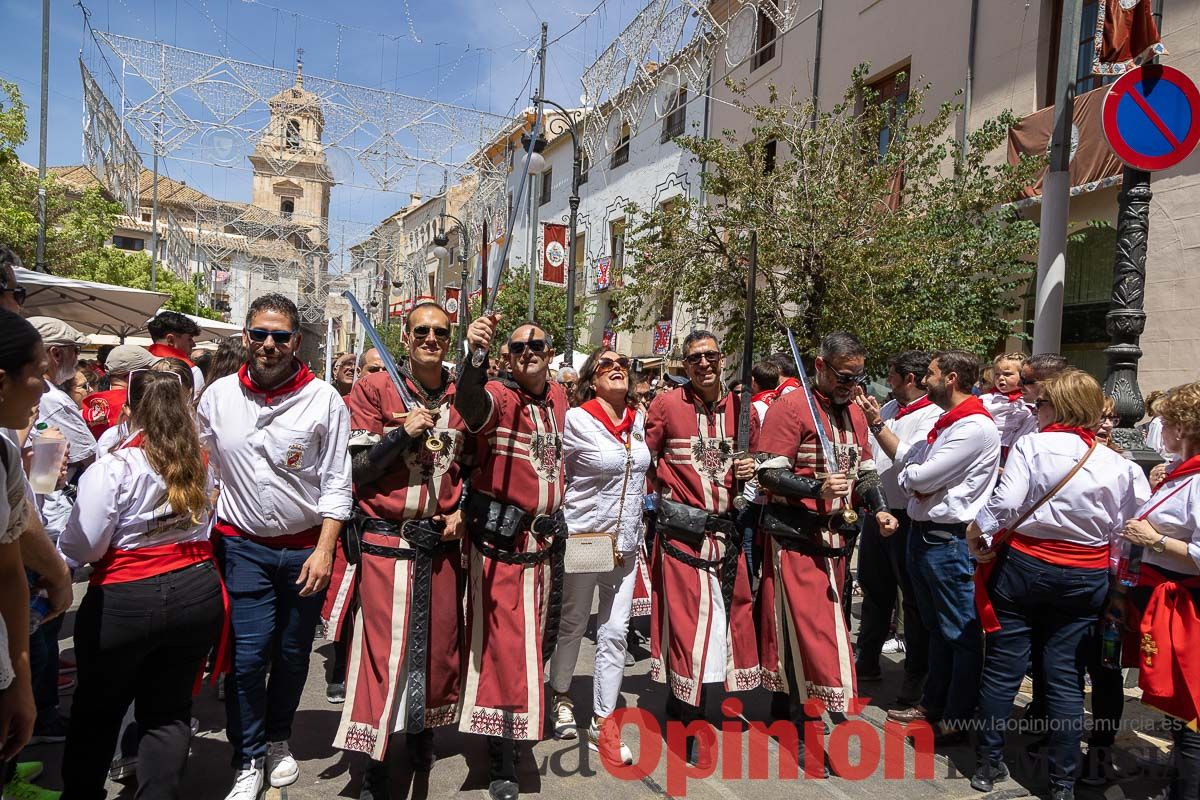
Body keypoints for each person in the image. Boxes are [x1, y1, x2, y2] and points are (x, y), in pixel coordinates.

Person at [966, 370, 1150, 799]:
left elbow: (1007, 502)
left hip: (1026, 567)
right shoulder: (1119, 464)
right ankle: (1063, 780)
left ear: (1060, 407)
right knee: (1065, 676)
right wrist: (1120, 585)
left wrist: (978, 533)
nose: (1036, 409)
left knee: (1004, 666)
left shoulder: (1034, 445)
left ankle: (988, 764)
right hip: (1085, 576)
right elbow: (1127, 533)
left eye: (1043, 403)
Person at [197, 294, 353, 799]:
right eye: (260, 334)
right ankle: (247, 757)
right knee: (246, 658)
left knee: (290, 654)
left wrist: (326, 550)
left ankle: (279, 739)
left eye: (280, 336)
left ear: (296, 342)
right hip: (242, 547)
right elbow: (205, 468)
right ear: (245, 337)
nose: (269, 345)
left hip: (305, 549)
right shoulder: (217, 396)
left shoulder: (324, 399)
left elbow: (336, 483)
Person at [59, 369, 225, 800]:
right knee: (168, 710)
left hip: (126, 599)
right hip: (195, 590)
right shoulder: (202, 462)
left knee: (98, 708)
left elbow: (84, 545)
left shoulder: (116, 466)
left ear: (130, 412)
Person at [333, 302, 467, 798]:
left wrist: (462, 509)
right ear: (406, 338)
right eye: (422, 331)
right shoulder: (374, 387)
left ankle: (421, 734)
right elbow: (359, 469)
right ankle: (374, 758)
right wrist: (399, 434)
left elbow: (475, 463)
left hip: (442, 546)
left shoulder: (460, 394)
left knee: (436, 650)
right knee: (381, 655)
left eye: (440, 332)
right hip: (387, 542)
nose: (431, 338)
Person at [755, 332, 893, 763]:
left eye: (857, 376)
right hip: (799, 538)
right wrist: (815, 486)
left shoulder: (853, 412)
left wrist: (881, 508)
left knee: (817, 633)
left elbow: (867, 474)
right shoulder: (791, 407)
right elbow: (767, 473)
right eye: (843, 375)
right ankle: (802, 725)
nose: (850, 384)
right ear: (819, 365)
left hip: (839, 542)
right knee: (807, 635)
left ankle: (789, 711)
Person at [454, 316, 568, 800]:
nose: (528, 351)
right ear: (507, 354)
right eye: (518, 345)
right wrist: (474, 359)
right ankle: (501, 754)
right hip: (503, 549)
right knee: (501, 652)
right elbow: (469, 405)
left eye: (537, 343)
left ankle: (518, 728)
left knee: (533, 648)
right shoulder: (499, 397)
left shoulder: (560, 397)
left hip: (546, 550)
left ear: (549, 350)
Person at [646, 330, 759, 768]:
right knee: (689, 628)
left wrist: (754, 466)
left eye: (711, 355)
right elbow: (646, 460)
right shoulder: (667, 405)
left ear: (723, 358)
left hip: (727, 535)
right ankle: (686, 716)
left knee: (721, 628)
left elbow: (764, 462)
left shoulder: (743, 409)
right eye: (695, 358)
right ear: (684, 364)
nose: (704, 364)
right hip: (683, 536)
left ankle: (696, 704)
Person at [888, 350, 1000, 743]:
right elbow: (913, 465)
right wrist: (917, 480)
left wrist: (917, 481)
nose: (924, 380)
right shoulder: (947, 422)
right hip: (924, 535)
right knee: (935, 627)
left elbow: (919, 476)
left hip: (948, 540)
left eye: (931, 374)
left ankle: (958, 716)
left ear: (951, 378)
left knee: (958, 632)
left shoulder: (973, 427)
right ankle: (934, 702)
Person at [547, 348, 649, 765]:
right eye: (606, 363)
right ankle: (561, 695)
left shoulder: (639, 419)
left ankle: (603, 723)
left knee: (615, 632)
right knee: (573, 623)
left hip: (625, 544)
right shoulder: (578, 418)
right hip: (588, 539)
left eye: (623, 361)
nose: (617, 367)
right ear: (592, 379)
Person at [1113, 381, 1200, 800]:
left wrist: (1154, 539)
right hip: (1165, 597)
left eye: (1164, 422)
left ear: (1182, 429)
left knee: (1192, 710)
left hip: (1186, 606)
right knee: (1181, 709)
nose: (1157, 429)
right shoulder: (1184, 473)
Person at [852, 350, 939, 706]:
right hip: (878, 511)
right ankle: (867, 661)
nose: (887, 381)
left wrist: (876, 424)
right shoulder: (887, 409)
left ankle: (914, 676)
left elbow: (908, 457)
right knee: (874, 591)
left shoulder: (932, 415)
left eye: (891, 375)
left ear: (910, 379)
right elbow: (870, 454)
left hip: (907, 518)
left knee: (913, 602)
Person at [28, 317, 95, 745]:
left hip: (47, 525)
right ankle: (39, 717)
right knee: (41, 628)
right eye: (73, 349)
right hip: (44, 533)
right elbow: (43, 485)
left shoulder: (40, 411)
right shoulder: (44, 406)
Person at [0, 310, 49, 799]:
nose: (44, 387)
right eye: (37, 371)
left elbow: (9, 570)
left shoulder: (3, 453)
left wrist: (18, 680)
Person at [81, 345, 160, 440]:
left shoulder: (88, 405)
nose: (154, 377)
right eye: (150, 372)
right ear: (133, 375)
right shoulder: (139, 405)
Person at [981, 353, 1032, 460]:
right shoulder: (986, 399)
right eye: (997, 374)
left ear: (1022, 376)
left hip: (1014, 450)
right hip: (988, 448)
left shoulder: (1027, 402)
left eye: (1007, 374)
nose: (1001, 378)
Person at [147, 311, 204, 394]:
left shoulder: (136, 365)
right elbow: (195, 405)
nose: (193, 344)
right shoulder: (191, 371)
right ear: (170, 340)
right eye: (189, 339)